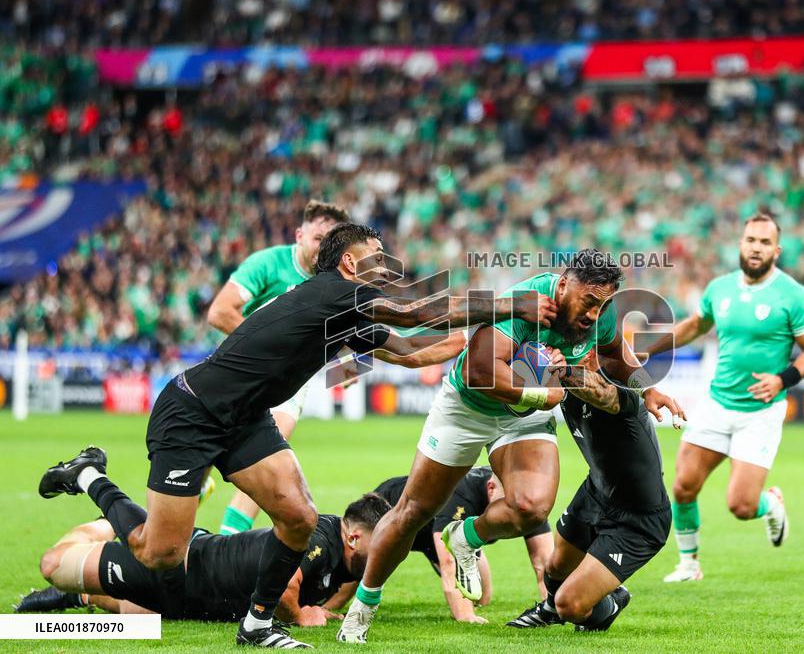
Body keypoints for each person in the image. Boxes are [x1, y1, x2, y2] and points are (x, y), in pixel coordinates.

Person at [38, 223, 556, 648]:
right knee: (160, 554)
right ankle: (89, 475)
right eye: (377, 258)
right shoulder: (336, 291)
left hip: (245, 417)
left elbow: (414, 350)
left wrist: (482, 340)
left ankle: (258, 623)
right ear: (350, 265)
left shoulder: (348, 312)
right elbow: (418, 312)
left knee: (299, 517)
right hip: (192, 413)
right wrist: (512, 305)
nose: (387, 266)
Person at [338, 249, 684, 644]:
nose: (594, 313)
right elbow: (479, 372)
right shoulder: (526, 302)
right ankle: (362, 608)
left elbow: (615, 356)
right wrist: (542, 397)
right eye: (589, 302)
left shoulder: (600, 312)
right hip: (469, 409)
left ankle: (465, 537)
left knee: (530, 507)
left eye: (602, 304)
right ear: (564, 285)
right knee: (413, 511)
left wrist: (650, 389)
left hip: (523, 415)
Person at [644, 214, 804, 582]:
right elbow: (694, 326)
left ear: (777, 250)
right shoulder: (720, 289)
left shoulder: (793, 295)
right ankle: (689, 565)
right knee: (682, 486)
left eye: (763, 242)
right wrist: (647, 348)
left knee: (741, 506)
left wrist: (782, 379)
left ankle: (771, 503)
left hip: (760, 411)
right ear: (740, 243)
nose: (755, 247)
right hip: (717, 404)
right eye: (750, 240)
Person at [17, 491, 390, 629]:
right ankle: (106, 521)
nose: (385, 557)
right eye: (382, 545)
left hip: (197, 601)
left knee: (136, 620)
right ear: (354, 537)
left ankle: (80, 598)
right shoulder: (320, 538)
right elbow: (288, 586)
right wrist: (300, 615)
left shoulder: (346, 564)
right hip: (180, 567)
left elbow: (338, 594)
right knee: (54, 565)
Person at [205, 199, 348, 536]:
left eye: (331, 243)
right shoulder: (268, 263)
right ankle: (195, 488)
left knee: (268, 455)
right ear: (299, 234)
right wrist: (265, 349)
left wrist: (352, 366)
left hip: (288, 382)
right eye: (317, 238)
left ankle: (228, 542)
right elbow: (219, 312)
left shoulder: (334, 282)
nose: (322, 248)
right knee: (203, 452)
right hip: (238, 369)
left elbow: (353, 332)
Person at [507, 348, 674, 631]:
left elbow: (602, 395)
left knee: (571, 605)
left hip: (638, 520)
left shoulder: (618, 386)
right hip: (596, 493)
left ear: (596, 355)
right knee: (555, 568)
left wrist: (563, 371)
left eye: (581, 353)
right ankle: (549, 607)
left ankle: (610, 604)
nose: (572, 359)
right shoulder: (566, 391)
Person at [373, 467, 552, 623]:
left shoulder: (527, 503)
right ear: (491, 489)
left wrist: (554, 606)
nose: (518, 510)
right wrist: (465, 615)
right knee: (362, 564)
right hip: (389, 507)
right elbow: (449, 559)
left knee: (481, 597)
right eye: (510, 504)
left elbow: (544, 560)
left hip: (435, 531)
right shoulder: (463, 493)